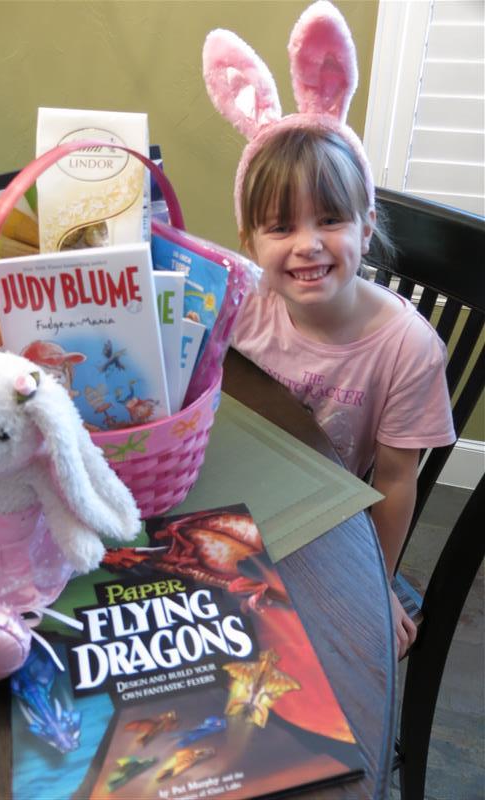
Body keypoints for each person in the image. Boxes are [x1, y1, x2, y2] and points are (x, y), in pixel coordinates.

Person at [202, 0, 456, 658]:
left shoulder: (408, 348)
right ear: (249, 242)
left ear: (366, 227)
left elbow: (395, 481)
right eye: (281, 226)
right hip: (236, 498)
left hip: (333, 529)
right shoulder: (238, 297)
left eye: (331, 220)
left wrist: (375, 582)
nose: (307, 244)